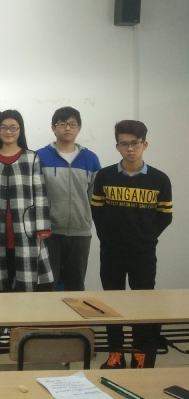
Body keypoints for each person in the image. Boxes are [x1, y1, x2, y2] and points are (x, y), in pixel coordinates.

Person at [92, 120, 172, 370]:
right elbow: (97, 212)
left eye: (135, 143)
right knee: (111, 305)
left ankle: (140, 353)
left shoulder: (159, 179)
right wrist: (108, 238)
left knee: (143, 305)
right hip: (111, 252)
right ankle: (115, 354)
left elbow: (165, 216)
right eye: (124, 144)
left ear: (144, 144)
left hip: (143, 254)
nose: (130, 149)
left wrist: (146, 238)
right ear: (117, 146)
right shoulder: (105, 176)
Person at [0, 109, 53, 293]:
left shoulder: (31, 157)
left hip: (27, 230)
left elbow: (40, 193)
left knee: (26, 283)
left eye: (13, 127)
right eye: (4, 127)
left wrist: (43, 226)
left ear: (20, 130)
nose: (8, 132)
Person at [36, 107, 101, 291]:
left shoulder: (90, 159)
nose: (67, 128)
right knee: (47, 285)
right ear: (53, 128)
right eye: (62, 124)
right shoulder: (39, 157)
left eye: (72, 124)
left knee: (76, 285)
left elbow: (94, 198)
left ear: (79, 128)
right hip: (49, 232)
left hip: (80, 232)